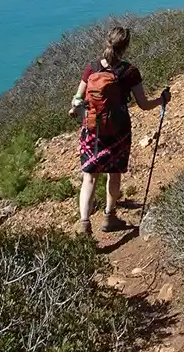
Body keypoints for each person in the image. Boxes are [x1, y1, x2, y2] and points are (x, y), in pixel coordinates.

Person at [69, 26, 170, 236]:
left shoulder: (92, 67)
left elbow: (78, 98)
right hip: (118, 130)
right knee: (113, 174)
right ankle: (109, 216)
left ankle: (84, 224)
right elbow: (143, 104)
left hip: (92, 130)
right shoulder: (130, 71)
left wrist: (75, 108)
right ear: (126, 46)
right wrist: (162, 100)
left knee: (89, 177)